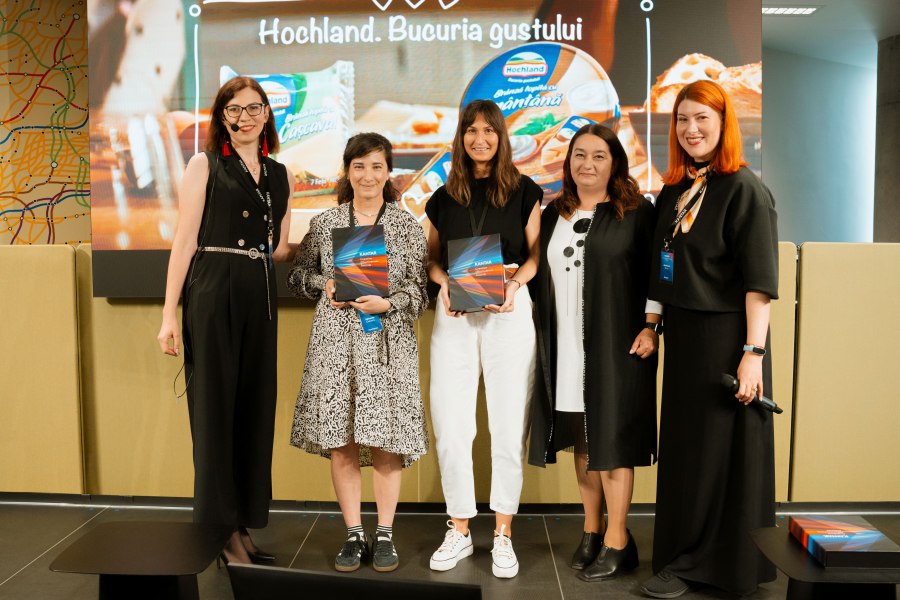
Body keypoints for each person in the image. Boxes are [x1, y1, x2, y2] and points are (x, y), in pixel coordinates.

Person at [640, 80, 779, 598]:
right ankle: (682, 556)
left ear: (724, 124)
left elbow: (759, 283)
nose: (690, 129)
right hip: (683, 340)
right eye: (682, 119)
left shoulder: (744, 190)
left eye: (702, 118)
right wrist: (651, 324)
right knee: (688, 453)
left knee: (723, 454)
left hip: (728, 339)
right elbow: (663, 265)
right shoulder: (675, 190)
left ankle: (717, 566)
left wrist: (753, 355)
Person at [157, 76, 293, 564]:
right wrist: (168, 314)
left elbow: (278, 248)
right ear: (222, 117)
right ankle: (220, 535)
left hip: (260, 295)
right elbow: (184, 241)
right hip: (213, 291)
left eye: (254, 108)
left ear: (266, 114)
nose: (244, 117)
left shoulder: (279, 173)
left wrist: (341, 249)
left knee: (255, 411)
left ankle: (242, 525)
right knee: (215, 413)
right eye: (234, 109)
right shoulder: (205, 164)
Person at [287, 133, 429, 574]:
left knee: (386, 441)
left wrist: (390, 303)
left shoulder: (407, 226)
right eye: (359, 166)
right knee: (342, 441)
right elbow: (298, 277)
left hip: (387, 346)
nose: (368, 175)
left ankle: (384, 534)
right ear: (347, 172)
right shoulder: (326, 223)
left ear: (389, 173)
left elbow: (421, 292)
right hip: (336, 345)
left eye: (376, 166)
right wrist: (324, 284)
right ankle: (353, 533)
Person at [528, 124, 660, 581]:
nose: (587, 164)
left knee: (612, 440)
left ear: (615, 163)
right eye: (579, 155)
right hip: (565, 345)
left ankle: (619, 540)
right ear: (568, 163)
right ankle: (592, 529)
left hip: (617, 343)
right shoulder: (553, 213)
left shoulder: (636, 212)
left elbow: (657, 273)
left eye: (599, 156)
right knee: (583, 438)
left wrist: (652, 326)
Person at [424, 99, 542, 579]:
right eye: (471, 130)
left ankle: (503, 534)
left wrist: (514, 285)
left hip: (508, 309)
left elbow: (534, 256)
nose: (479, 139)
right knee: (452, 425)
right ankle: (459, 529)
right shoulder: (442, 196)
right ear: (461, 137)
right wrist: (444, 284)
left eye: (488, 130)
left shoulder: (525, 190)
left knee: (508, 425)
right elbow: (432, 260)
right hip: (454, 310)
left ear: (501, 136)